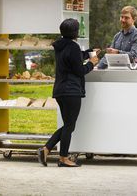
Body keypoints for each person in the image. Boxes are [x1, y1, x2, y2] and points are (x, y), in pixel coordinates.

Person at [37, 18, 99, 167]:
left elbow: (73, 58)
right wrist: (92, 63)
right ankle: (63, 158)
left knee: (67, 125)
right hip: (72, 91)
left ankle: (46, 149)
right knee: (70, 126)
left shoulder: (60, 45)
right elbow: (79, 70)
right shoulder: (73, 47)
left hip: (60, 90)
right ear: (76, 32)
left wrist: (90, 52)